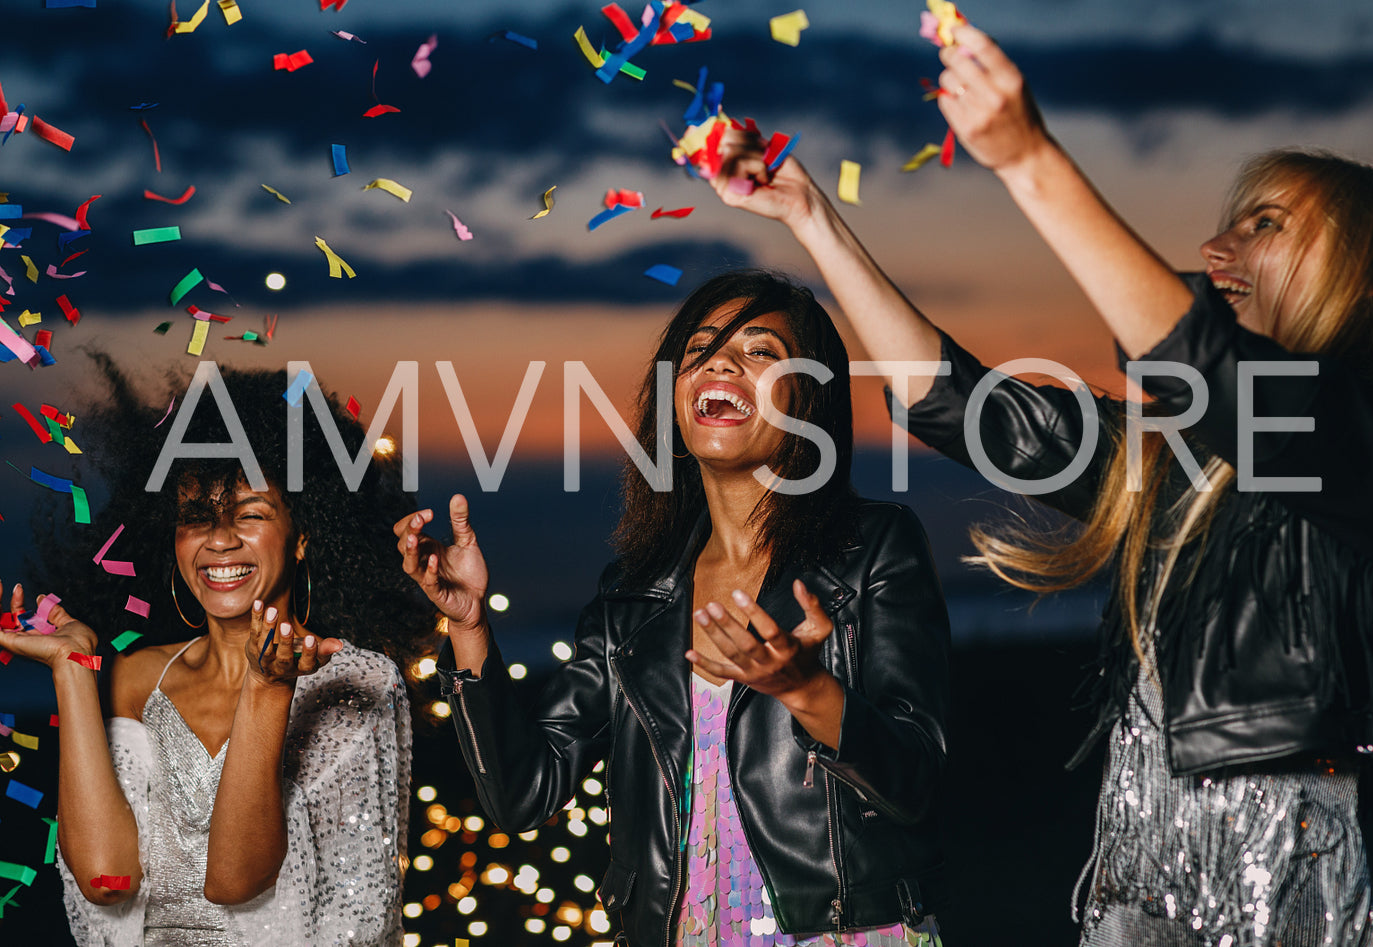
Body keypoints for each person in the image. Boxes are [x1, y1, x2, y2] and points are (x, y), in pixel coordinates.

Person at [711, 23, 1373, 947]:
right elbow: (960, 406)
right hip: (1136, 874)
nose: (1216, 245)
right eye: (1229, 221)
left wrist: (1029, 159)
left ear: (1367, 275)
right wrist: (811, 218)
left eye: (1264, 224)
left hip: (1301, 878)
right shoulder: (1168, 455)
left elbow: (1203, 363)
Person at [397, 270, 951, 946]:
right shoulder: (631, 596)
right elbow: (524, 794)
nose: (719, 361)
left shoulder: (874, 547)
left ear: (809, 398)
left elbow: (917, 777)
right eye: (700, 350)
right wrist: (469, 623)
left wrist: (807, 690)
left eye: (759, 350)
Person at [0, 358, 432, 946]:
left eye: (250, 514)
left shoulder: (353, 683)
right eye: (196, 518)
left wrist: (268, 688)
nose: (219, 540)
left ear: (303, 533)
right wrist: (72, 668)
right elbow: (106, 882)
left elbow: (236, 880)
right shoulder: (135, 676)